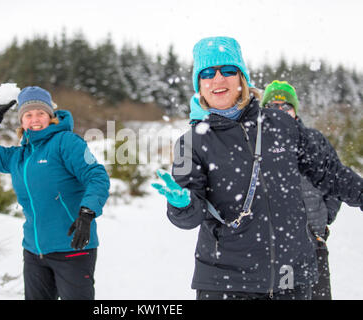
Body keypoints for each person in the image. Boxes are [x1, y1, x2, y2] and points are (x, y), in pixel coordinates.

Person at [152, 36, 363, 300]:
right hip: (226, 283)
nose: (218, 80)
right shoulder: (189, 143)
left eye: (228, 71)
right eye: (207, 73)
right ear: (200, 85)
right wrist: (181, 205)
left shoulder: (282, 126)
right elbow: (189, 217)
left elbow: (330, 173)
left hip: (292, 279)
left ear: (242, 78)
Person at [0, 86, 110, 300]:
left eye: (41, 113)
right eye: (28, 114)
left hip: (72, 248)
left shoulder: (66, 142)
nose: (35, 119)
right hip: (35, 252)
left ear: (50, 116)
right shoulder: (18, 157)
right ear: (22, 121)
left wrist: (87, 212)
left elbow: (96, 175)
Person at [261, 80, 342, 300]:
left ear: (295, 110)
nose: (280, 111)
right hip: (270, 248)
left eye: (285, 106)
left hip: (313, 242)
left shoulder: (315, 141)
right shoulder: (256, 145)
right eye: (273, 106)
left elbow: (335, 181)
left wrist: (323, 219)